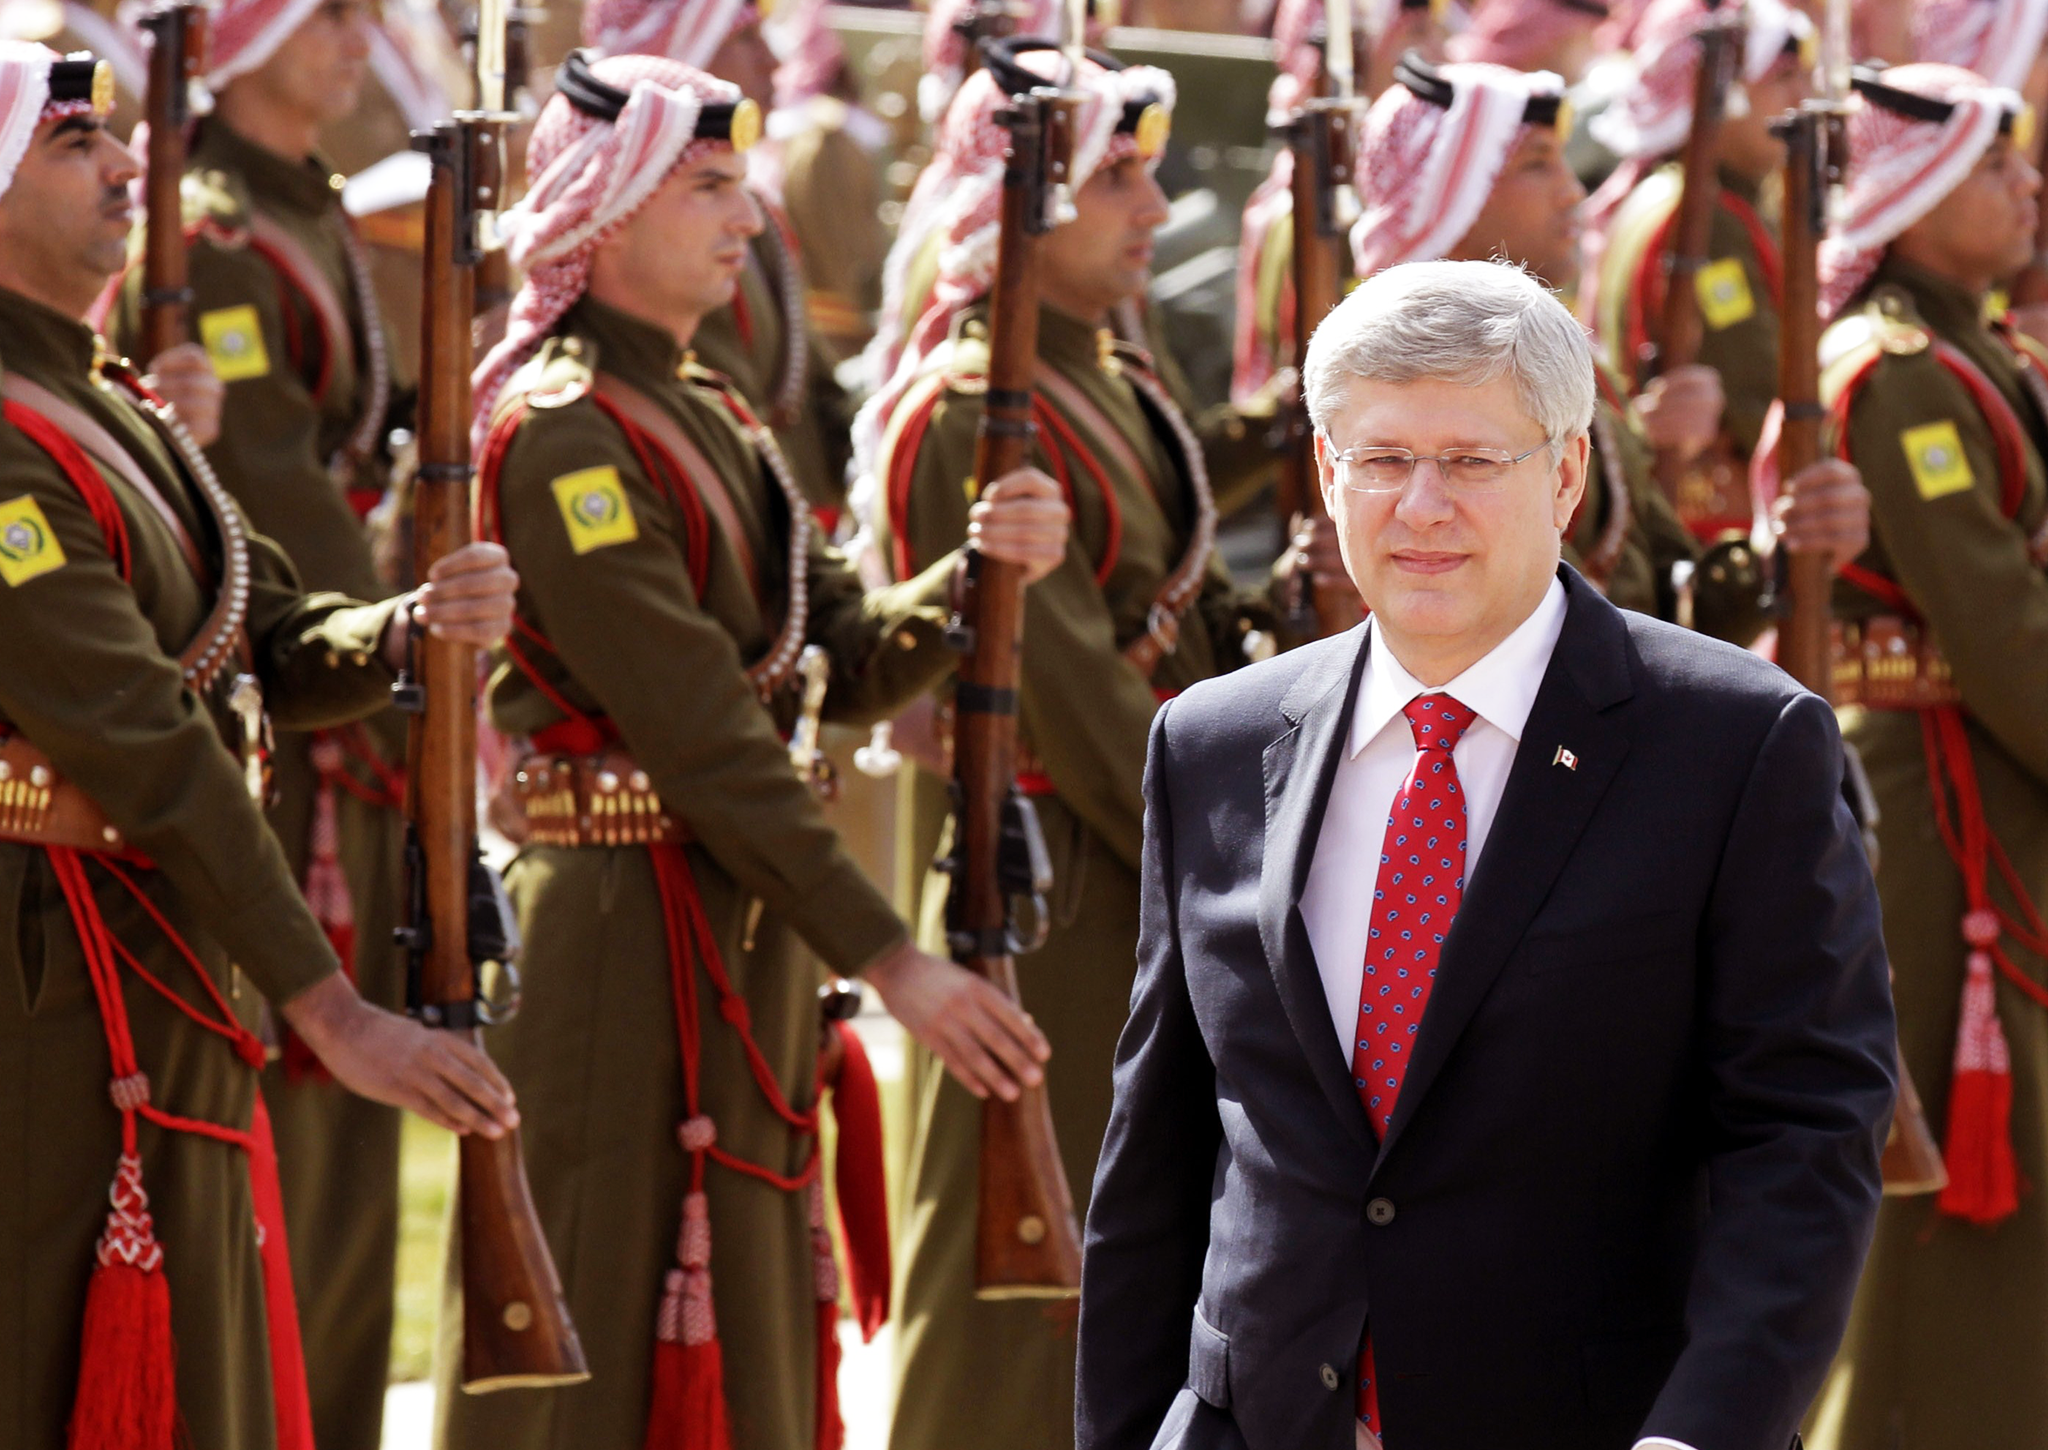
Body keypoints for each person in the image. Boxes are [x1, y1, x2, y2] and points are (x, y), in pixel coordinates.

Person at [1076, 259, 1897, 1450]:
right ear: (1323, 473)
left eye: (1469, 460)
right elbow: (1155, 1150)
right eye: (1381, 459)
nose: (1420, 505)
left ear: (1563, 474)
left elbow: (1805, 1133)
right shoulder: (1211, 739)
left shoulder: (1734, 743)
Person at [434, 51, 1069, 1450]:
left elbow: (830, 650)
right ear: (601, 211)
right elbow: (708, 735)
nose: (746, 217)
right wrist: (889, 951)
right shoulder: (568, 434)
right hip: (621, 936)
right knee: (595, 1342)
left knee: (748, 1326)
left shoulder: (705, 404)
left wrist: (970, 580)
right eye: (707, 186)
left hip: (733, 918)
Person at [0, 39, 521, 1450]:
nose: (127, 167)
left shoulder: (103, 403)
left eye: (117, 141)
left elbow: (262, 630)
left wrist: (402, 631)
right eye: (70, 147)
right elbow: (149, 738)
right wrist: (329, 1004)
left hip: (155, 957)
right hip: (50, 986)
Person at [861, 42, 1312, 1450]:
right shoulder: (975, 406)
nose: (1154, 203)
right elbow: (1078, 694)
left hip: (1134, 861)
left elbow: (1170, 614)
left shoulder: (1096, 372)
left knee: (1131, 1257)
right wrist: (1262, 869)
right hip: (1061, 874)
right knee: (1023, 1275)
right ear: (1020, 203)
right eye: (1115, 174)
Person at [109, 0, 416, 1442]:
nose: (360, 36)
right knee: (296, 1102)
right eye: (328, 12)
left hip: (340, 688)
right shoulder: (218, 232)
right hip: (300, 702)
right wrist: (409, 683)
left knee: (345, 1137)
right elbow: (288, 500)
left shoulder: (304, 208)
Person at [1806, 62, 2048, 1450]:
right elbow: (2003, 631)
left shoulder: (1977, 351)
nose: (2027, 185)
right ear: (1911, 196)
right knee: (1947, 1170)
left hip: (1987, 794)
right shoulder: (1900, 373)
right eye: (1994, 165)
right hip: (1935, 806)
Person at [1345, 53, 1867, 640]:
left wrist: (1785, 553)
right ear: (1451, 197)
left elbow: (1669, 598)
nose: (1573, 191)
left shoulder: (1573, 369)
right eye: (1536, 166)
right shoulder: (1367, 393)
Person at [582, 0, 857, 523]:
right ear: (681, 56)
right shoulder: (635, 228)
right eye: (745, 40)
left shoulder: (756, 215)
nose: (774, 63)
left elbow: (807, 378)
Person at [1585, 0, 1812, 537]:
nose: (1802, 98)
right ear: (1724, 93)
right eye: (1782, 78)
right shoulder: (1705, 219)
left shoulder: (1675, 195)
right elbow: (1754, 391)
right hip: (1708, 522)